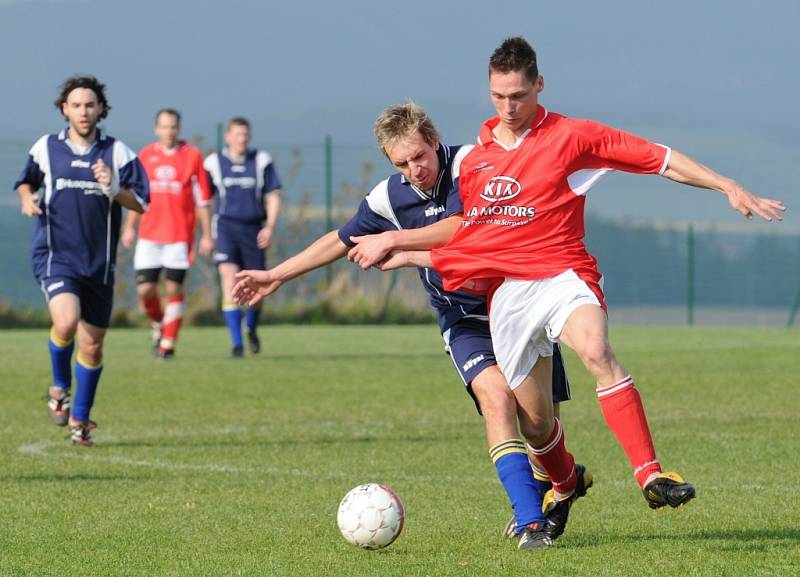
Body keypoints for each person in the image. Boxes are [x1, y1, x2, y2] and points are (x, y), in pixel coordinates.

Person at [385, 37, 785, 515]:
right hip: (509, 296)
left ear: (539, 85)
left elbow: (658, 157)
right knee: (535, 425)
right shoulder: (473, 161)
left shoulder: (573, 136)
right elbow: (471, 239)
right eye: (499, 96)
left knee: (596, 349)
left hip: (562, 275)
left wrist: (726, 185)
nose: (509, 107)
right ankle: (564, 481)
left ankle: (651, 474)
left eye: (519, 95)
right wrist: (405, 249)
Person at [231, 102, 590, 550]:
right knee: (496, 400)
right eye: (401, 163)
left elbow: (464, 228)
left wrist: (394, 238)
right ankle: (531, 523)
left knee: (538, 426)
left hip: (518, 307)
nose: (414, 169)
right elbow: (342, 240)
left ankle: (566, 478)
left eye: (419, 156)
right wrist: (275, 276)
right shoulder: (389, 197)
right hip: (464, 322)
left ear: (434, 143)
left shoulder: (473, 165)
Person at [14, 75, 149, 446]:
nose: (83, 111)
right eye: (76, 105)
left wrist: (112, 188)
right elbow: (25, 181)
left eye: (90, 105)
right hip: (56, 256)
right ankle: (59, 386)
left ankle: (80, 419)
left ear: (101, 109)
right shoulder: (47, 148)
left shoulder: (117, 153)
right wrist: (27, 199)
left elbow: (142, 202)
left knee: (92, 346)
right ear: (64, 109)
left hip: (98, 264)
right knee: (67, 320)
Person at [121, 109, 213, 359]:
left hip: (179, 236)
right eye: (164, 127)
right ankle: (159, 323)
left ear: (178, 129)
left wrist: (206, 235)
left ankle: (168, 344)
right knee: (145, 291)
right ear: (156, 129)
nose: (168, 132)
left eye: (173, 127)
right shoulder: (146, 155)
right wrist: (129, 227)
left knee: (174, 289)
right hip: (149, 235)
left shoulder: (192, 156)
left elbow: (202, 199)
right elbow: (137, 197)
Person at [204, 117, 282, 357]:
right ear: (228, 136)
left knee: (257, 286)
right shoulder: (213, 163)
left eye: (245, 134)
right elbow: (204, 202)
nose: (242, 139)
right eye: (237, 134)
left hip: (253, 230)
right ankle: (236, 344)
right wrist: (206, 235)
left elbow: (273, 195)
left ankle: (250, 327)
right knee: (229, 278)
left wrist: (269, 226)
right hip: (225, 228)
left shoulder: (261, 161)